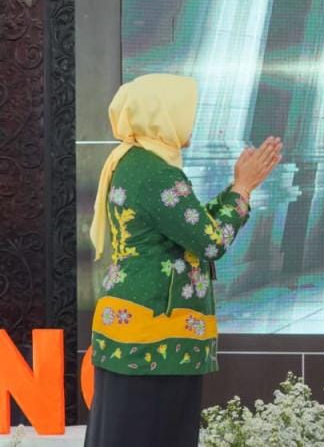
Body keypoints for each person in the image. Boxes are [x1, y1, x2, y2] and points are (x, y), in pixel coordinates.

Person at [84, 73, 283, 447]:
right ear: (161, 114)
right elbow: (210, 241)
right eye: (186, 111)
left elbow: (191, 225)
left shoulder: (134, 161)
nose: (192, 121)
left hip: (137, 326)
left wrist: (237, 189)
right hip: (155, 333)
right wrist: (242, 188)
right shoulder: (156, 172)